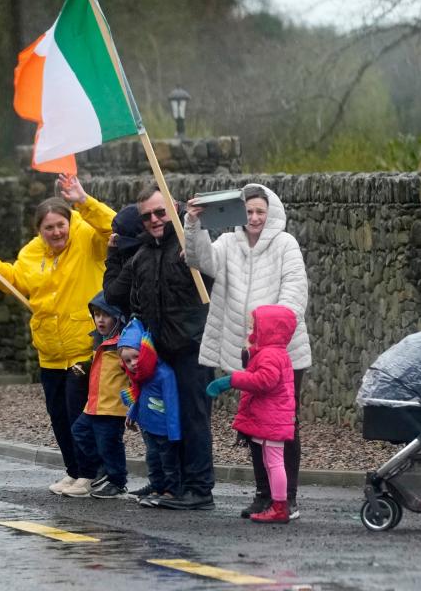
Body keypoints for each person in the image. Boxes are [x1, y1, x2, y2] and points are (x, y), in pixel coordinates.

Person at [0, 174, 115, 495]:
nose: (56, 232)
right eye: (48, 228)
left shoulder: (89, 240)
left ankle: (91, 475)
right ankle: (74, 470)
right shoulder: (31, 254)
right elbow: (16, 281)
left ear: (69, 221)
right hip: (49, 352)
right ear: (39, 230)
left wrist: (83, 200)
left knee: (81, 417)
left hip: (82, 347)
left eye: (60, 225)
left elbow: (112, 226)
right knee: (59, 417)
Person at [184, 183, 310, 519]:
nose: (254, 218)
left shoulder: (286, 245)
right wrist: (193, 224)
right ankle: (263, 494)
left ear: (271, 214)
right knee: (256, 424)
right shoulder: (227, 243)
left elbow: (295, 295)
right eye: (249, 211)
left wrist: (272, 337)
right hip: (247, 351)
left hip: (285, 354)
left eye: (260, 212)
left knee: (284, 425)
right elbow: (199, 259)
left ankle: (287, 497)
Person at [105, 185, 214, 510]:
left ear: (174, 208)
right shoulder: (141, 255)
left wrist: (194, 232)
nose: (153, 220)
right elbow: (114, 295)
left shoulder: (189, 247)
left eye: (159, 212)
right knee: (162, 420)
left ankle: (198, 489)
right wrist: (113, 255)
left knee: (194, 420)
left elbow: (213, 264)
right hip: (159, 355)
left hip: (192, 349)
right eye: (147, 216)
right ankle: (169, 484)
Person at [207, 305, 298, 524]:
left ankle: (279, 507)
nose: (251, 332)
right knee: (271, 462)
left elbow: (263, 381)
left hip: (271, 418)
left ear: (267, 330)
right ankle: (277, 505)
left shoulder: (270, 355)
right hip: (272, 417)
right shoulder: (274, 353)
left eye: (254, 327)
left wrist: (230, 380)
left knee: (275, 463)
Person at [64, 291, 131, 499]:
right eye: (96, 314)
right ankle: (102, 470)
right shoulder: (101, 341)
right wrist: (86, 366)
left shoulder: (122, 344)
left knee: (109, 444)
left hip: (112, 407)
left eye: (106, 315)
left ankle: (118, 481)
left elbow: (132, 373)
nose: (100, 319)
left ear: (118, 318)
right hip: (94, 404)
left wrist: (133, 404)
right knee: (79, 431)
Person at [117, 318, 181, 508]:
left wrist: (174, 432)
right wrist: (132, 413)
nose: (133, 363)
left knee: (168, 461)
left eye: (136, 356)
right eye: (127, 361)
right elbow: (141, 398)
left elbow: (172, 404)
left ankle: (171, 491)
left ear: (145, 351)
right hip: (149, 428)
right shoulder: (142, 376)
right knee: (153, 459)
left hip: (165, 430)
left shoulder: (164, 374)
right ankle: (157, 488)